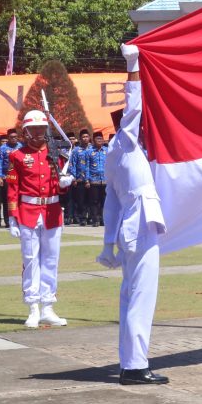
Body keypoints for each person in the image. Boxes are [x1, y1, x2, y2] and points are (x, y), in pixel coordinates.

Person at [97, 43, 170, 385]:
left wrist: (107, 244)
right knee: (141, 295)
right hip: (140, 224)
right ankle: (136, 366)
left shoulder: (115, 156)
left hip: (130, 226)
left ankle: (130, 363)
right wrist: (133, 64)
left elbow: (110, 203)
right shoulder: (126, 142)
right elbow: (135, 102)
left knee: (131, 295)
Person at [6, 110, 74, 327]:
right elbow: (12, 188)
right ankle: (33, 307)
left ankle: (48, 306)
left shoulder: (56, 155)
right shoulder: (16, 156)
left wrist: (65, 185)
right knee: (31, 260)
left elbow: (60, 188)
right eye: (34, 129)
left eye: (42, 128)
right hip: (28, 212)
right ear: (26, 131)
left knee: (51, 260)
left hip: (52, 212)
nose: (38, 132)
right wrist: (12, 217)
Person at [68, 128, 92, 225]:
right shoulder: (76, 151)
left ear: (89, 138)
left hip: (92, 179)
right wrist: (73, 177)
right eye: (83, 137)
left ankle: (91, 217)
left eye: (87, 137)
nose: (85, 139)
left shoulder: (93, 149)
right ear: (80, 139)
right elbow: (72, 164)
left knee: (91, 200)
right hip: (79, 179)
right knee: (80, 200)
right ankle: (82, 218)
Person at [86, 131, 108, 226]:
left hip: (105, 180)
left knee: (104, 201)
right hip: (94, 180)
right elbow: (86, 166)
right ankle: (95, 219)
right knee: (94, 201)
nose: (99, 140)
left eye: (101, 138)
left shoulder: (107, 150)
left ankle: (103, 219)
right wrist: (87, 180)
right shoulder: (89, 151)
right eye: (97, 139)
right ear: (93, 140)